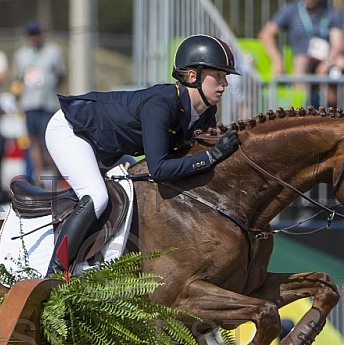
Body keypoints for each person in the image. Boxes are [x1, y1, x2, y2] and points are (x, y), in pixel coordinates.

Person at [43, 34, 241, 276]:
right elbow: (159, 169)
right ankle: (55, 273)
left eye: (225, 77)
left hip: (112, 148)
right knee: (97, 196)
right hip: (73, 130)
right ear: (193, 76)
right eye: (218, 76)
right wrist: (211, 157)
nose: (225, 84)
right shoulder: (162, 105)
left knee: (137, 193)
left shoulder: (206, 112)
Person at [259, 0, 344, 107]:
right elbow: (266, 34)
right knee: (301, 60)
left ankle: (333, 108)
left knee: (341, 62)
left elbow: (338, 45)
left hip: (325, 59)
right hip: (302, 59)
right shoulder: (291, 10)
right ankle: (300, 107)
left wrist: (326, 64)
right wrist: (277, 61)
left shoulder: (331, 13)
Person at [12, 20, 66, 186]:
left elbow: (61, 74)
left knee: (48, 142)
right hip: (30, 104)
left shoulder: (53, 51)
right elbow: (17, 78)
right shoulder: (21, 55)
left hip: (47, 103)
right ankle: (40, 178)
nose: (33, 38)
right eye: (30, 35)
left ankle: (56, 179)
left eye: (36, 34)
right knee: (33, 141)